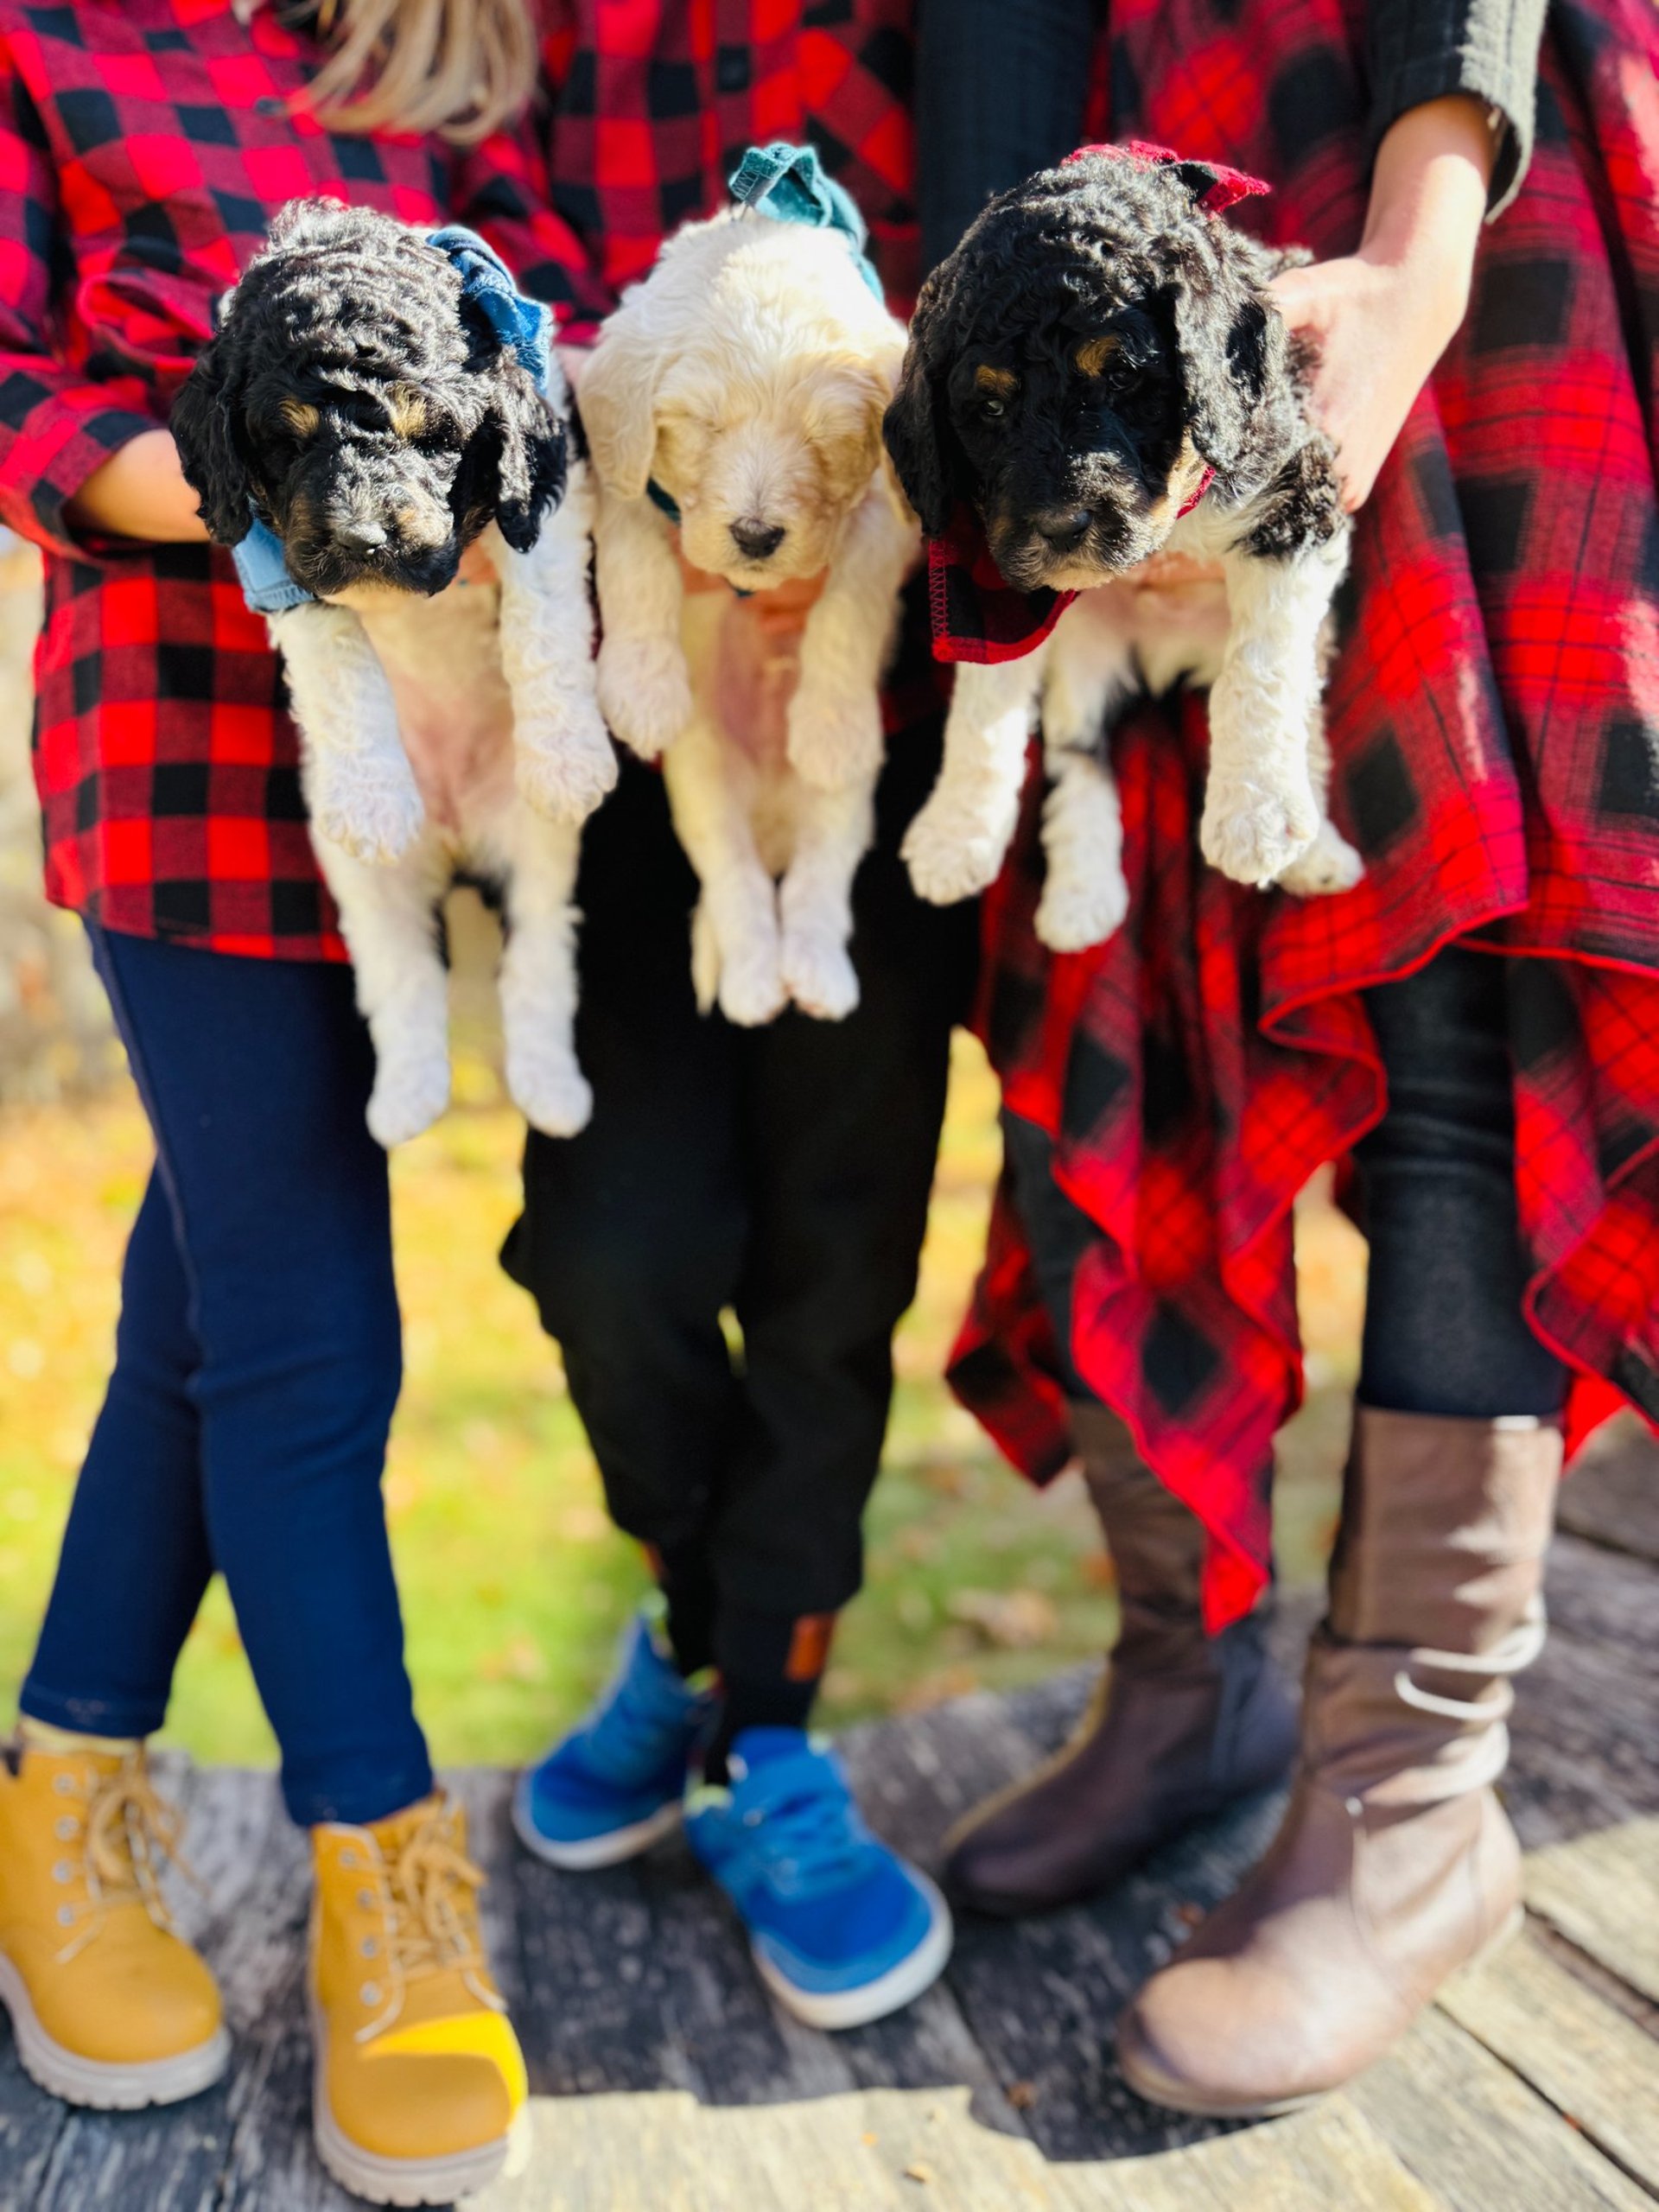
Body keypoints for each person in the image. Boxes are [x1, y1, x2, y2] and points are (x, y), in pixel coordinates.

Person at [922, 0, 1659, 2115]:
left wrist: (1428, 236)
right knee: (1131, 962)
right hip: (1140, 170)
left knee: (1450, 972)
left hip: (1446, 145)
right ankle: (1194, 1678)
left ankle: (1412, 1799)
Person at [0, 1, 586, 2196]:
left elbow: (542, 347)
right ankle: (381, 1852)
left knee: (213, 1310)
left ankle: (59, 1785)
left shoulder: (430, 63)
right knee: (316, 1324)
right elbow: (20, 387)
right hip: (177, 765)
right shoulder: (51, 39)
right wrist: (269, 511)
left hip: (414, 785)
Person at [500, 4, 979, 2030]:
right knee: (614, 1243)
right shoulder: (525, 39)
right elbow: (505, 320)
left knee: (835, 1255)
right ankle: (712, 1631)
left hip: (884, 685)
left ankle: (763, 1724)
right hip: (637, 723)